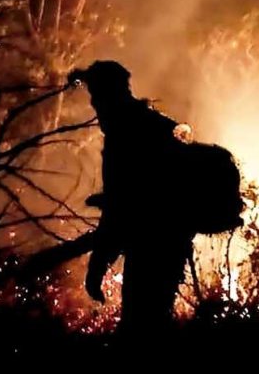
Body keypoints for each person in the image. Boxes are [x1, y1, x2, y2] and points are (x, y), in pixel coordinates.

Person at [68, 60, 196, 334]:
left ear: (109, 94)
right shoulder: (151, 126)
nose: (94, 105)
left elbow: (122, 210)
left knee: (141, 330)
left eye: (96, 96)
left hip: (154, 246)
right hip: (167, 243)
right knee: (152, 325)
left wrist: (96, 268)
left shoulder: (127, 137)